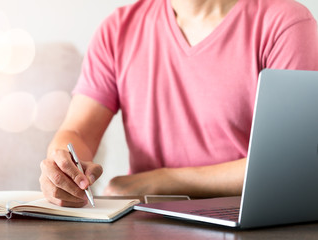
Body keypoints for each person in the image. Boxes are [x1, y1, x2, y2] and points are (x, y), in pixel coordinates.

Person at [39, 0, 318, 207]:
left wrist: (159, 181)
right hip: (147, 219)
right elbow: (77, 133)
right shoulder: (117, 30)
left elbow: (288, 164)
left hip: (248, 217)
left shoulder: (285, 23)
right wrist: (62, 164)